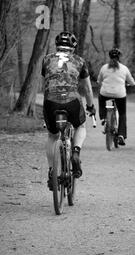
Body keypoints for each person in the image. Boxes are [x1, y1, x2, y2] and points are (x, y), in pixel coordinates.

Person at [42, 31, 96, 190]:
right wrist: (91, 106)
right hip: (72, 100)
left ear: (56, 46)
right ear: (73, 47)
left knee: (52, 135)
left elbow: (44, 83)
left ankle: (52, 171)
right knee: (80, 126)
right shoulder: (79, 60)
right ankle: (76, 152)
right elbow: (87, 88)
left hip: (51, 100)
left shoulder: (47, 59)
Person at [97, 48, 135, 146]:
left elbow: (99, 81)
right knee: (122, 114)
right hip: (120, 95)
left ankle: (103, 117)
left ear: (109, 57)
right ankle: (121, 135)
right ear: (119, 57)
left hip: (105, 93)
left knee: (100, 98)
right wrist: (133, 83)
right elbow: (131, 81)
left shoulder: (104, 67)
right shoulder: (124, 68)